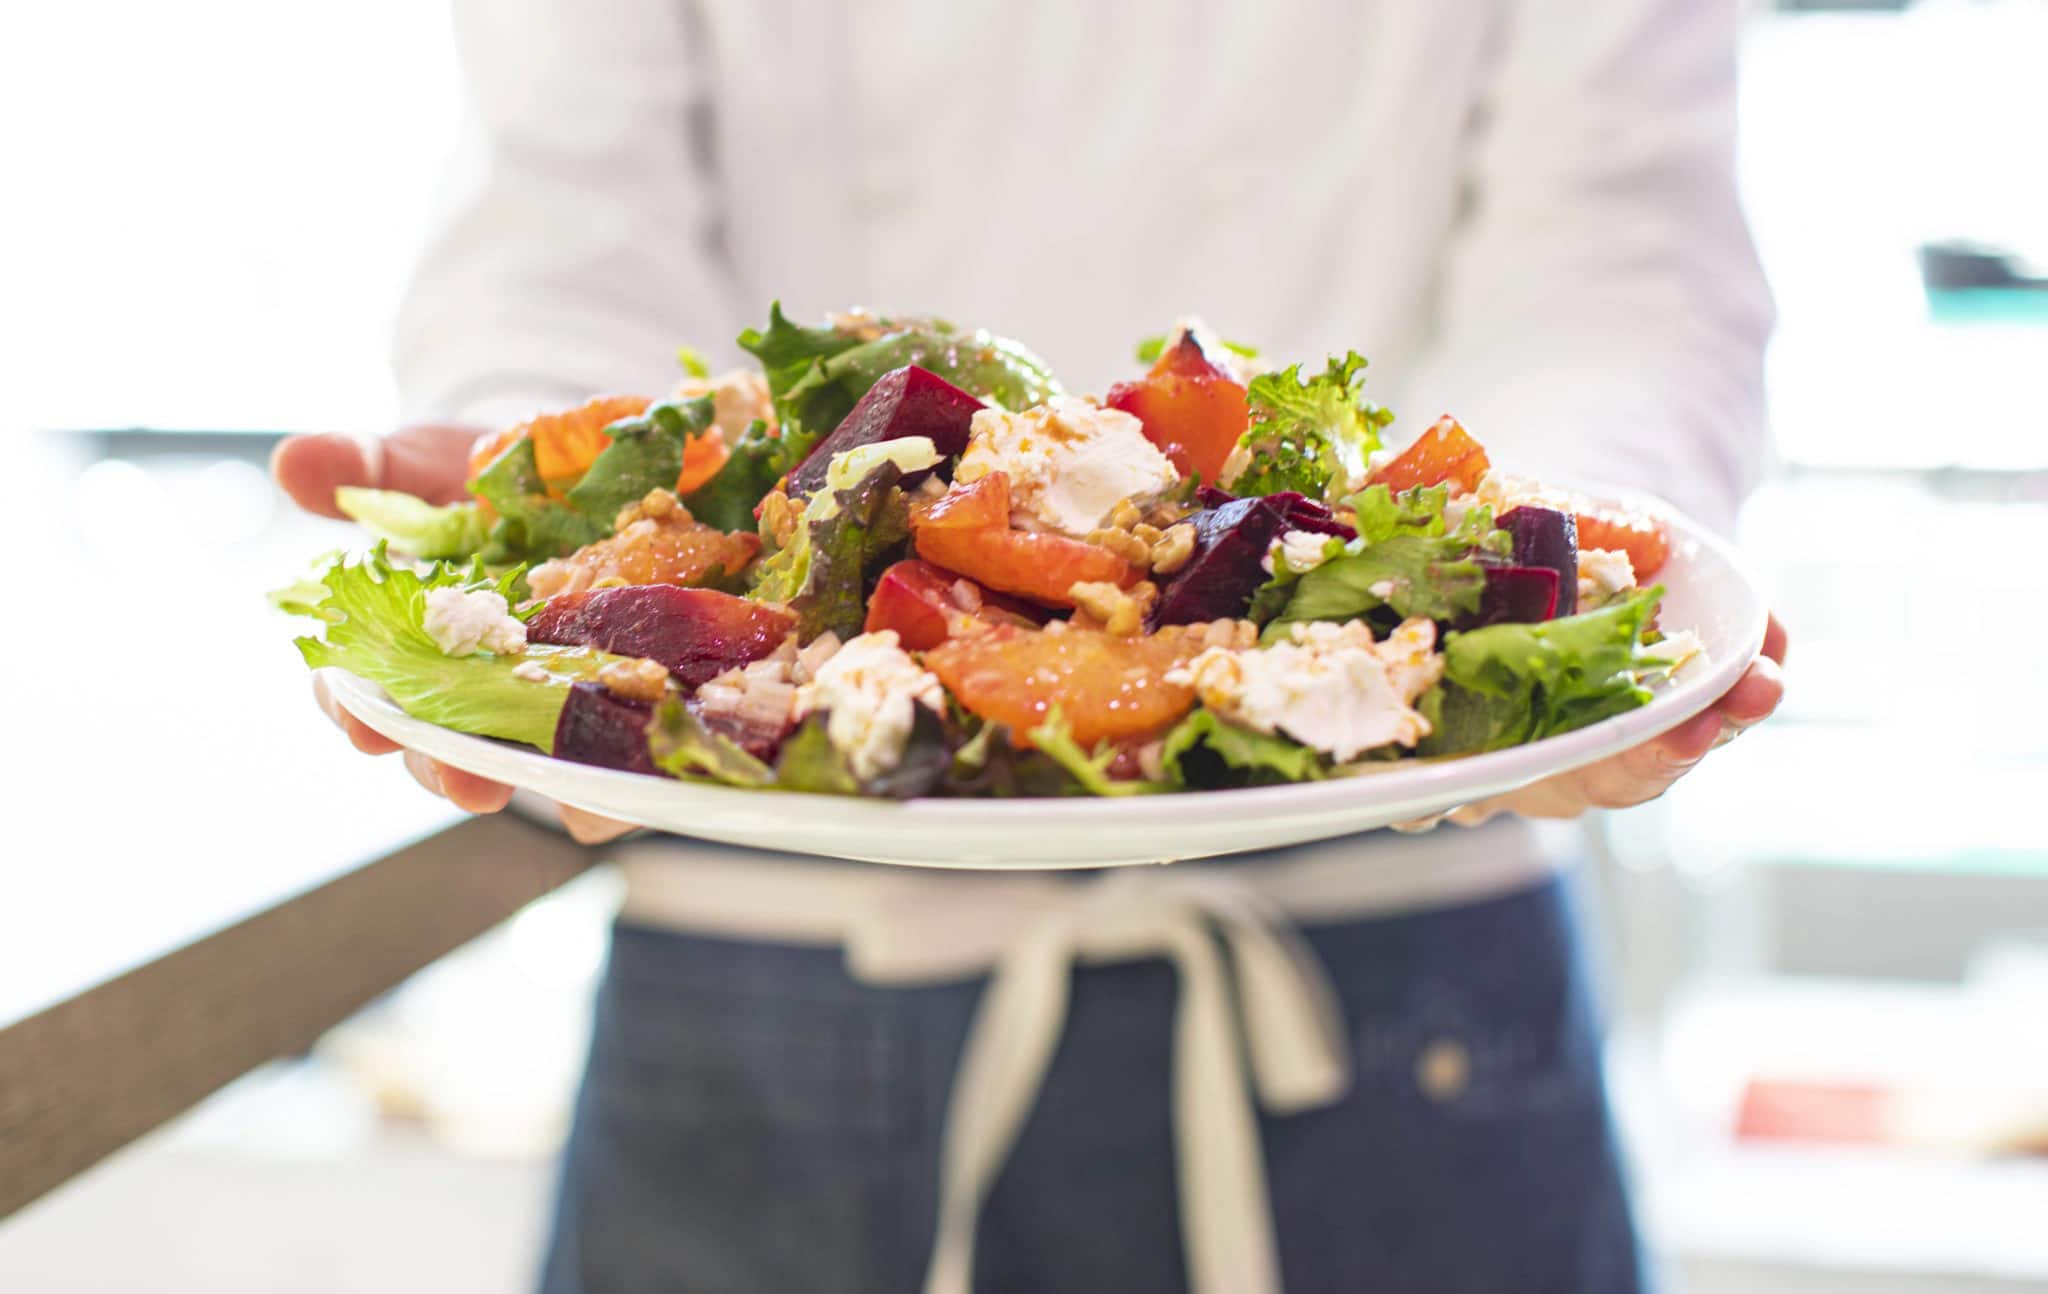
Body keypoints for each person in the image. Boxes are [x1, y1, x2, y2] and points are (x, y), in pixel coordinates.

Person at [274, 1, 1788, 1290]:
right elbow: (560, 222)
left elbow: (1619, 243)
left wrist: (1532, 598)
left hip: (1402, 959)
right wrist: (552, 502)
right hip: (763, 944)